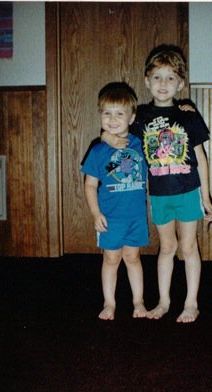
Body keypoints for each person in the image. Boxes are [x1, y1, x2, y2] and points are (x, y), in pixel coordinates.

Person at [102, 44, 212, 323]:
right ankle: (164, 301)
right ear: (146, 81)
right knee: (166, 248)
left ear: (181, 83)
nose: (163, 84)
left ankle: (191, 303)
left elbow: (200, 158)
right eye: (157, 77)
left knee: (188, 247)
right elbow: (114, 128)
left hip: (188, 191)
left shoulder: (188, 115)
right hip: (160, 195)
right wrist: (106, 138)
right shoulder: (139, 116)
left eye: (170, 78)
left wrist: (207, 196)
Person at [81, 82, 149, 320]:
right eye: (106, 113)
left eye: (119, 113)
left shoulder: (140, 143)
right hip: (110, 218)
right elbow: (89, 185)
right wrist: (95, 213)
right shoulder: (98, 151)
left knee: (133, 258)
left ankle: (138, 302)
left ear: (131, 118)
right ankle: (109, 303)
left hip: (136, 217)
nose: (112, 118)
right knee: (111, 259)